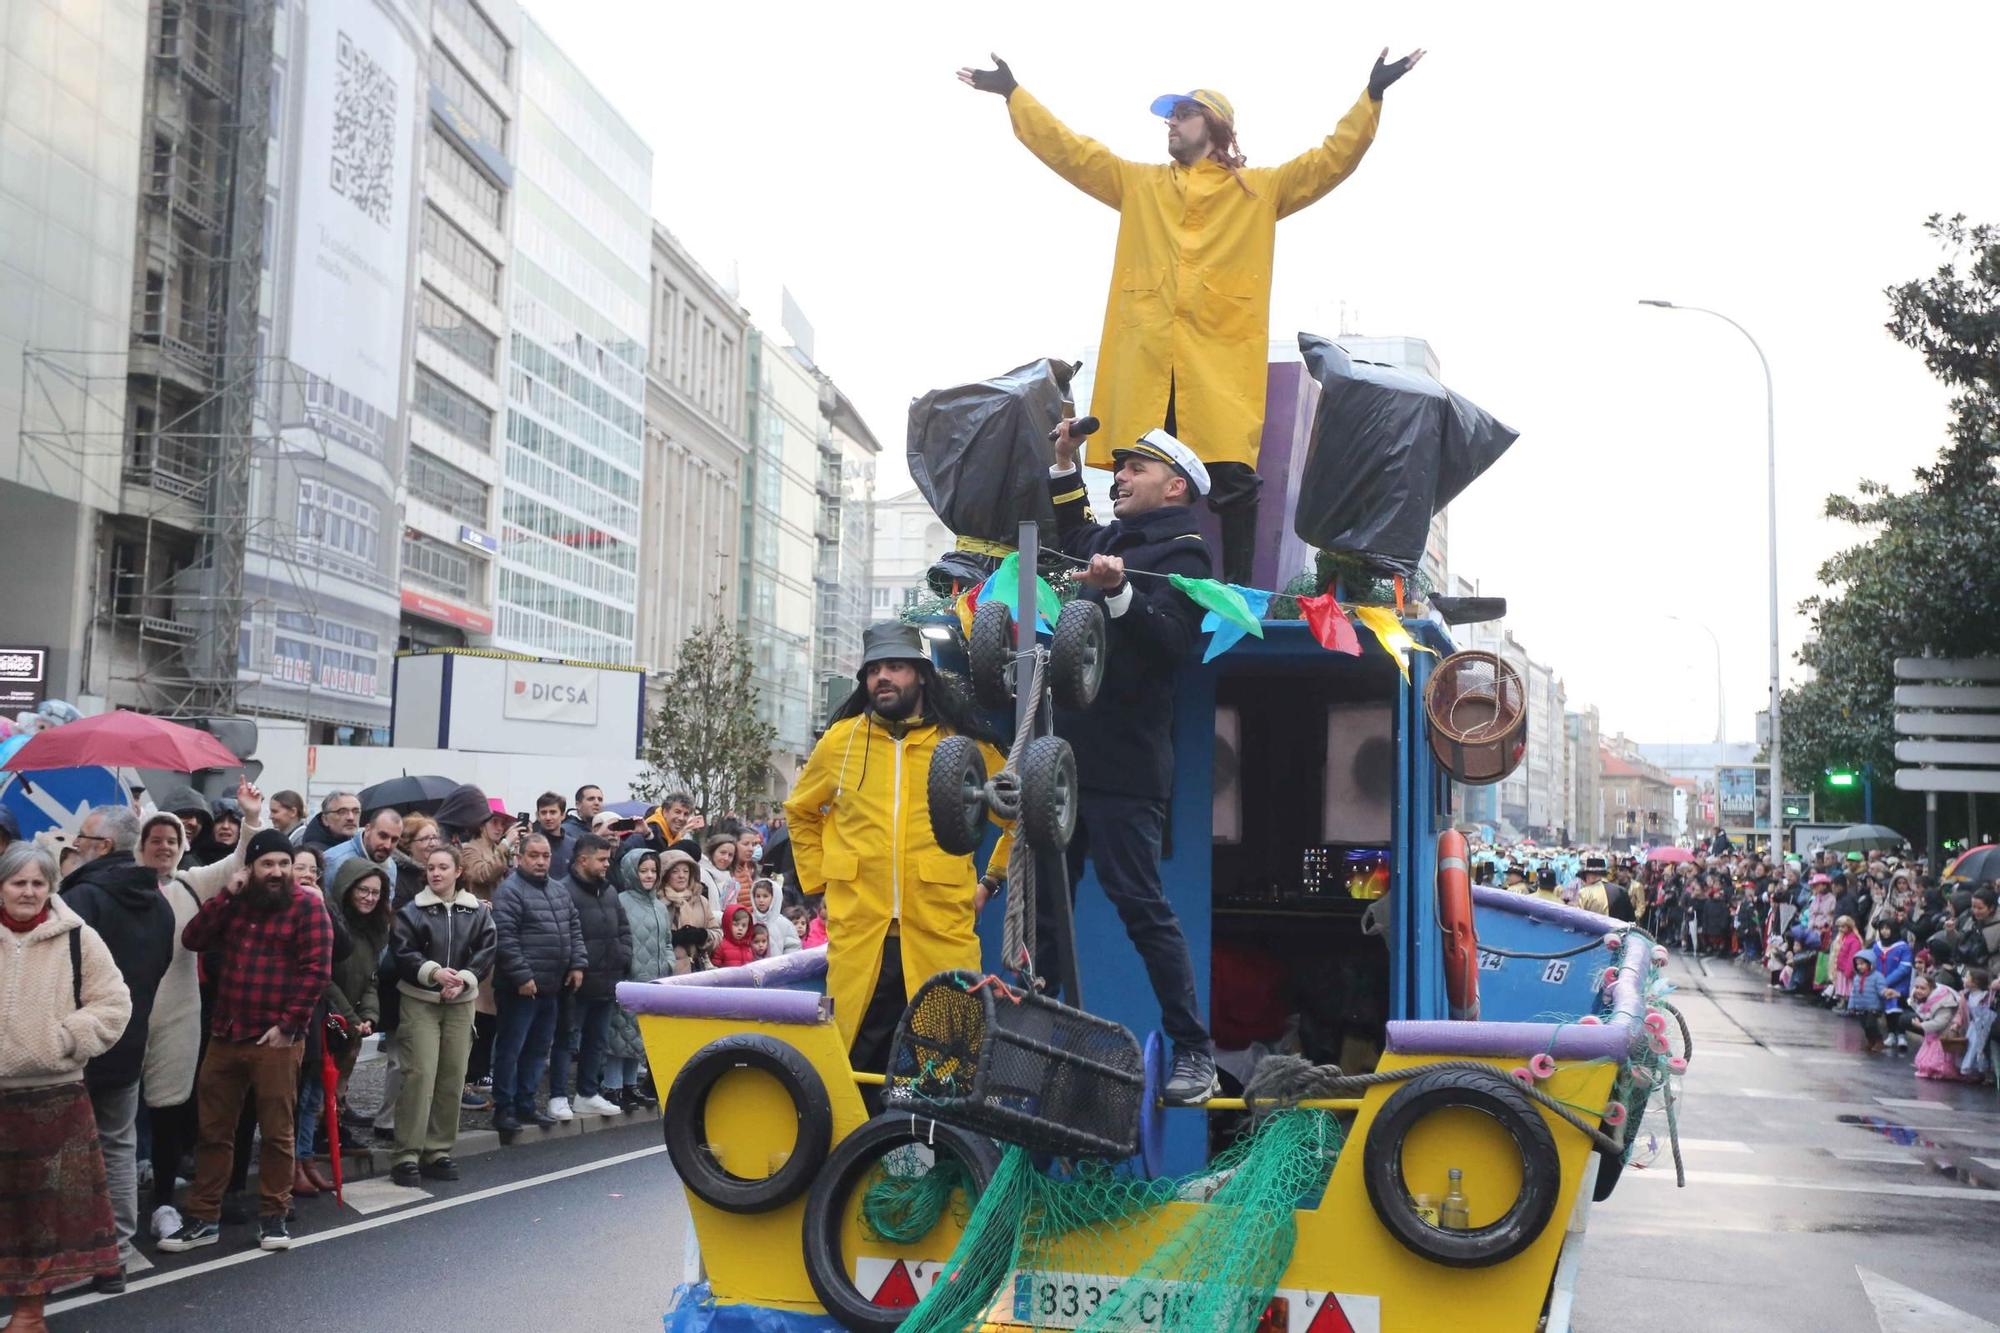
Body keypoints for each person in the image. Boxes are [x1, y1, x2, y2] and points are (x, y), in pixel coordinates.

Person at [958, 47, 1422, 582]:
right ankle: (1127, 579)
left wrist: (1372, 97)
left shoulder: (1260, 191)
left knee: (1233, 482)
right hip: (1148, 357)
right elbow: (1072, 153)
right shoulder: (1140, 184)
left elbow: (1329, 160)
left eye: (1182, 116)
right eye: (1169, 118)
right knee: (1138, 475)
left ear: (1216, 127)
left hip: (1218, 362)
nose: (1171, 126)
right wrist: (1016, 95)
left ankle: (1243, 596)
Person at [1039, 425, 1218, 1103]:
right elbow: (1072, 524)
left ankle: (1193, 1050)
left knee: (1140, 904)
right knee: (1048, 909)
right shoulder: (1111, 540)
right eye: (1116, 469)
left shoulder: (1186, 554)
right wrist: (1064, 463)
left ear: (1174, 485)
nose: (1120, 476)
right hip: (1065, 756)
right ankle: (1035, 1033)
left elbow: (1173, 639)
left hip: (1127, 764)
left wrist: (1118, 596)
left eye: (1134, 467)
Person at [785, 622, 1014, 1077]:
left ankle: (950, 1151)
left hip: (940, 930)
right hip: (859, 936)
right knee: (851, 1065)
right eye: (873, 670)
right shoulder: (840, 742)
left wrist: (991, 880)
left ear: (923, 675)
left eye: (895, 667)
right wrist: (819, 885)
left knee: (955, 1066)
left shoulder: (962, 745)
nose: (882, 678)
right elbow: (800, 812)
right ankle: (861, 1150)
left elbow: (1017, 815)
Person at [158, 830, 332, 1254]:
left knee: (277, 1132)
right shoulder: (236, 902)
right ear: (250, 868)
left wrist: (290, 1026)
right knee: (213, 1131)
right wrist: (225, 896)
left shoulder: (308, 906)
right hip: (226, 1032)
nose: (276, 872)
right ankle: (203, 1217)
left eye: (283, 864)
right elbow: (193, 940)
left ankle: (273, 1216)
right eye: (267, 864)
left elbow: (317, 972)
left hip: (276, 1039)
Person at [0, 842, 132, 1330]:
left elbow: (114, 1004)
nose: (29, 892)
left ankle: (29, 1314)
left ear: (51, 888)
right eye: (19, 883)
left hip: (54, 1099)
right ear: (1, 887)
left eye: (39, 883)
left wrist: (66, 1038)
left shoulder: (79, 937)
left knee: (42, 1217)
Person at [59, 805, 174, 1283]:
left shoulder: (82, 898)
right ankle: (117, 1250)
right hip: (129, 1041)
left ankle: (72, 1250)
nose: (75, 843)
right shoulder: (160, 902)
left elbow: (62, 975)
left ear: (103, 846)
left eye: (82, 837)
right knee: (118, 1146)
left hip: (76, 1044)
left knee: (65, 1151)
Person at [387, 846, 496, 1184]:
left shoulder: (477, 911)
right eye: (431, 868)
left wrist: (463, 979)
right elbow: (402, 950)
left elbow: (487, 949)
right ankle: (406, 1153)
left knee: (452, 1076)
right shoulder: (411, 911)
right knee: (419, 1075)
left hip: (461, 1002)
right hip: (420, 999)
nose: (435, 873)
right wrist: (434, 973)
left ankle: (438, 1150)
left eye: (443, 867)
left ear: (457, 872)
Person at [488, 832, 584, 1136]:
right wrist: (522, 976)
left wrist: (578, 964)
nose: (541, 861)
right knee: (511, 1049)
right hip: (520, 988)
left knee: (538, 1049)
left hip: (552, 986)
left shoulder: (558, 891)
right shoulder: (509, 891)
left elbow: (573, 927)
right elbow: (505, 938)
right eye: (534, 855)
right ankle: (504, 1108)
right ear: (520, 857)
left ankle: (526, 1104)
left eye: (545, 856)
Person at [549, 834, 629, 1120]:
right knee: (566, 1039)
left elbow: (623, 928)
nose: (608, 864)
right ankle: (558, 1096)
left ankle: (587, 1093)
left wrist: (623, 956)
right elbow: (561, 934)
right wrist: (573, 966)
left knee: (596, 1040)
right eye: (602, 859)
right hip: (576, 981)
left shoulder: (608, 891)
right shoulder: (562, 891)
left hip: (608, 978)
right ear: (583, 859)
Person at [326, 852, 391, 1139]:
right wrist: (352, 1018)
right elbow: (326, 979)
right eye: (363, 890)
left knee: (341, 1084)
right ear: (348, 889)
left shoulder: (373, 932)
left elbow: (370, 980)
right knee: (319, 1089)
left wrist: (369, 1016)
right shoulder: (332, 926)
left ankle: (335, 1128)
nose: (369, 897)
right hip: (329, 1022)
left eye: (375, 892)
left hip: (351, 1026)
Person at [605, 848, 668, 1109]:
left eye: (653, 870)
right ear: (632, 872)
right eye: (643, 870)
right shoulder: (620, 901)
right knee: (619, 1033)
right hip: (628, 979)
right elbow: (615, 937)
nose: (649, 875)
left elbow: (667, 941)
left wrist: (668, 964)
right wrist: (625, 964)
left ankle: (631, 1085)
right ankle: (612, 1085)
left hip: (653, 980)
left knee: (639, 1035)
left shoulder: (660, 906)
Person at [323, 806, 403, 909]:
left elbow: (385, 911)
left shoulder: (391, 866)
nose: (387, 845)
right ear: (368, 829)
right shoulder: (334, 861)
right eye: (383, 836)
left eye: (394, 840)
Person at [1911, 970, 1964, 1081]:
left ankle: (1940, 1071)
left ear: (1931, 988)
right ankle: (1931, 1071)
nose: (1918, 991)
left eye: (1922, 988)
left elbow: (1941, 1022)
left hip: (1944, 1034)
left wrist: (1921, 1025)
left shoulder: (1943, 1001)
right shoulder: (1923, 1000)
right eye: (1917, 987)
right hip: (1932, 1034)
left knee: (1939, 1058)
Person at [1846, 952, 1889, 1052]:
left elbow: (1881, 989)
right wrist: (1851, 1006)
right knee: (1864, 1026)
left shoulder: (1877, 977)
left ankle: (1878, 1041)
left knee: (1871, 1024)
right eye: (1857, 964)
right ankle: (1870, 1040)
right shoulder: (1857, 978)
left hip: (1873, 1007)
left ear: (1870, 964)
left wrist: (1885, 993)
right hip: (1861, 1006)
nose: (1859, 966)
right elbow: (1854, 992)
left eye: (1862, 964)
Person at [750, 877, 800, 954]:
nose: (761, 900)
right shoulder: (749, 921)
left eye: (765, 896)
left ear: (774, 897)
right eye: (758, 896)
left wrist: (786, 964)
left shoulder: (784, 924)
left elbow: (793, 947)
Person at [534, 792, 576, 881]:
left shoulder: (574, 845)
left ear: (563, 815)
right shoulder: (530, 845)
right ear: (538, 816)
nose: (548, 817)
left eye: (553, 812)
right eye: (543, 812)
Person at [701, 832, 739, 910]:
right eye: (722, 853)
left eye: (730, 855)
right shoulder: (702, 874)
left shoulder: (730, 881)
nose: (726, 858)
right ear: (712, 852)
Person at [712, 904, 758, 968]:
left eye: (744, 925)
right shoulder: (721, 946)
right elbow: (716, 969)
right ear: (727, 924)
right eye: (736, 925)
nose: (740, 928)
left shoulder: (749, 946)